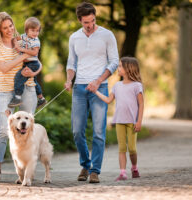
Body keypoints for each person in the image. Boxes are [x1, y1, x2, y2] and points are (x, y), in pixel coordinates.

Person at [64, 2, 119, 183]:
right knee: (77, 131)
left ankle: (95, 170)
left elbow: (114, 62)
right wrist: (69, 79)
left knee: (98, 132)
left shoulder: (107, 35)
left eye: (93, 20)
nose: (90, 25)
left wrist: (98, 81)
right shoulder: (74, 38)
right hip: (79, 88)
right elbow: (71, 63)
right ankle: (85, 164)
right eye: (86, 22)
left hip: (99, 88)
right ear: (80, 20)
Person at [0, 12, 38, 182]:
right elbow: (4, 68)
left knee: (28, 129)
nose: (9, 30)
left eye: (11, 26)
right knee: (3, 130)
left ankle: (26, 171)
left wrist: (35, 71)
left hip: (27, 87)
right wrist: (24, 55)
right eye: (5, 28)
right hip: (5, 91)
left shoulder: (22, 39)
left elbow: (37, 60)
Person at [94, 57, 144, 181]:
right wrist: (95, 91)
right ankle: (123, 173)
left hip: (132, 122)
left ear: (128, 69)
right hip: (119, 121)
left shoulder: (137, 86)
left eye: (121, 66)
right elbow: (108, 100)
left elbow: (141, 104)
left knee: (132, 148)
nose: (118, 68)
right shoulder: (117, 85)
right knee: (122, 147)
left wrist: (139, 121)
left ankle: (134, 167)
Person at [8, 17, 46, 109]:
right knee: (34, 81)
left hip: (33, 63)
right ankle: (41, 98)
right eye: (33, 30)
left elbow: (34, 52)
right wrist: (16, 45)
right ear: (26, 30)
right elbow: (14, 39)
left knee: (19, 77)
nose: (35, 33)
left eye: (37, 31)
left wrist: (21, 49)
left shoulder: (36, 40)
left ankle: (17, 97)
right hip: (27, 64)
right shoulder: (23, 36)